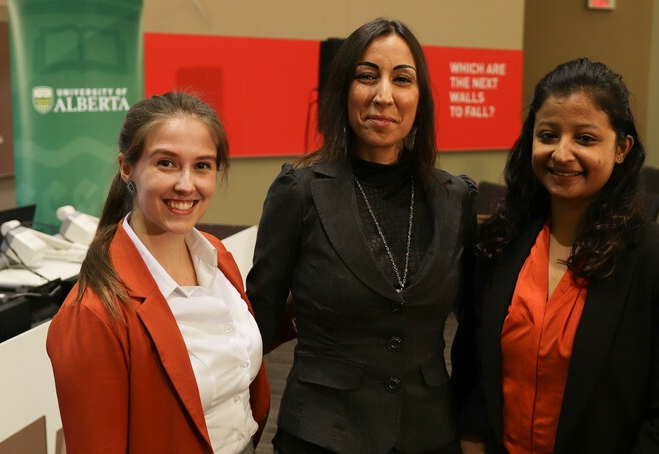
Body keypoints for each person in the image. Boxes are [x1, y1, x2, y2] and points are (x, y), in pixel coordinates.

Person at [451, 58, 659, 453]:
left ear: (621, 148)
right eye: (548, 135)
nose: (562, 153)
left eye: (585, 139)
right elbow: (473, 379)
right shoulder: (496, 246)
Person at [246, 18, 477, 454]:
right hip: (321, 434)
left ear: (420, 97)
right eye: (367, 76)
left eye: (402, 79)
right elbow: (257, 322)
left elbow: (472, 335)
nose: (383, 95)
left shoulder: (456, 199)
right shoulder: (299, 192)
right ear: (343, 91)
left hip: (430, 434)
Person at [47, 92, 269, 454]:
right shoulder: (92, 314)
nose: (186, 184)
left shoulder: (217, 257)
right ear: (126, 168)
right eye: (166, 163)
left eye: (202, 166)